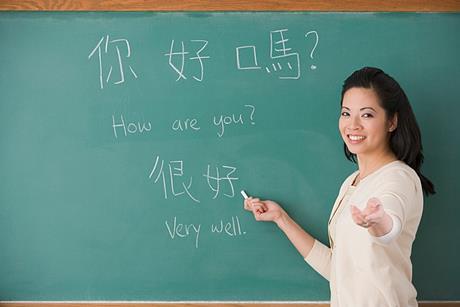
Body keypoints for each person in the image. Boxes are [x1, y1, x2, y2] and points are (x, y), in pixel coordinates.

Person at [243, 67, 435, 307]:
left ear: (392, 121)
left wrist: (379, 222)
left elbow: (390, 224)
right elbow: (338, 269)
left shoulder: (399, 178)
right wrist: (281, 218)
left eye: (366, 115)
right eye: (346, 113)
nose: (352, 125)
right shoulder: (351, 183)